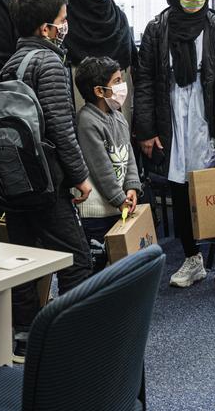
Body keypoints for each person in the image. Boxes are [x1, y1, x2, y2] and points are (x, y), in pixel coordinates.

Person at [134, 0, 215, 291]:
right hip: (170, 113)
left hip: (205, 112)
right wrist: (146, 129)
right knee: (181, 186)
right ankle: (192, 259)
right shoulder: (158, 28)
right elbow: (145, 81)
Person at [0, 0, 93, 362]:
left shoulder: (11, 63)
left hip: (14, 180)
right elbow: (61, 129)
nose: (66, 26)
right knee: (77, 258)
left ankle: (23, 336)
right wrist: (81, 177)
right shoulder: (48, 62)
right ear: (46, 29)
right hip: (47, 182)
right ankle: (72, 337)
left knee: (21, 259)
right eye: (62, 21)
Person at [73, 56, 141, 271]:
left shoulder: (118, 116)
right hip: (96, 212)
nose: (122, 86)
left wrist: (131, 186)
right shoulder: (87, 120)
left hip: (118, 206)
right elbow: (100, 168)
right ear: (99, 91)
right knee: (97, 268)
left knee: (119, 266)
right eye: (117, 81)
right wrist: (119, 198)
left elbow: (128, 154)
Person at [63, 0, 137, 118]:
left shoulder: (119, 18)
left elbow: (132, 65)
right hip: (81, 111)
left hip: (120, 112)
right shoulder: (66, 22)